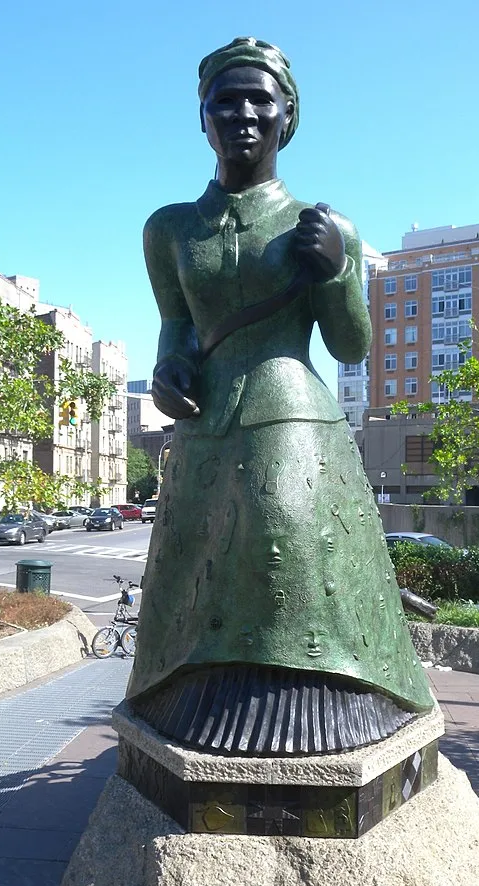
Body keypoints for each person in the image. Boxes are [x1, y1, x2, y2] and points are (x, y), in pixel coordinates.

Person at [127, 37, 434, 755]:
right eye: (224, 100)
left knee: (294, 575)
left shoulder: (325, 228)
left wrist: (334, 271)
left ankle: (317, 723)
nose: (242, 113)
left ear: (287, 116)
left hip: (293, 422)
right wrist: (169, 372)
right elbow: (177, 327)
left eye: (259, 100)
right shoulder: (169, 228)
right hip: (203, 437)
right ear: (201, 116)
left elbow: (351, 344)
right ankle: (193, 713)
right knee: (198, 590)